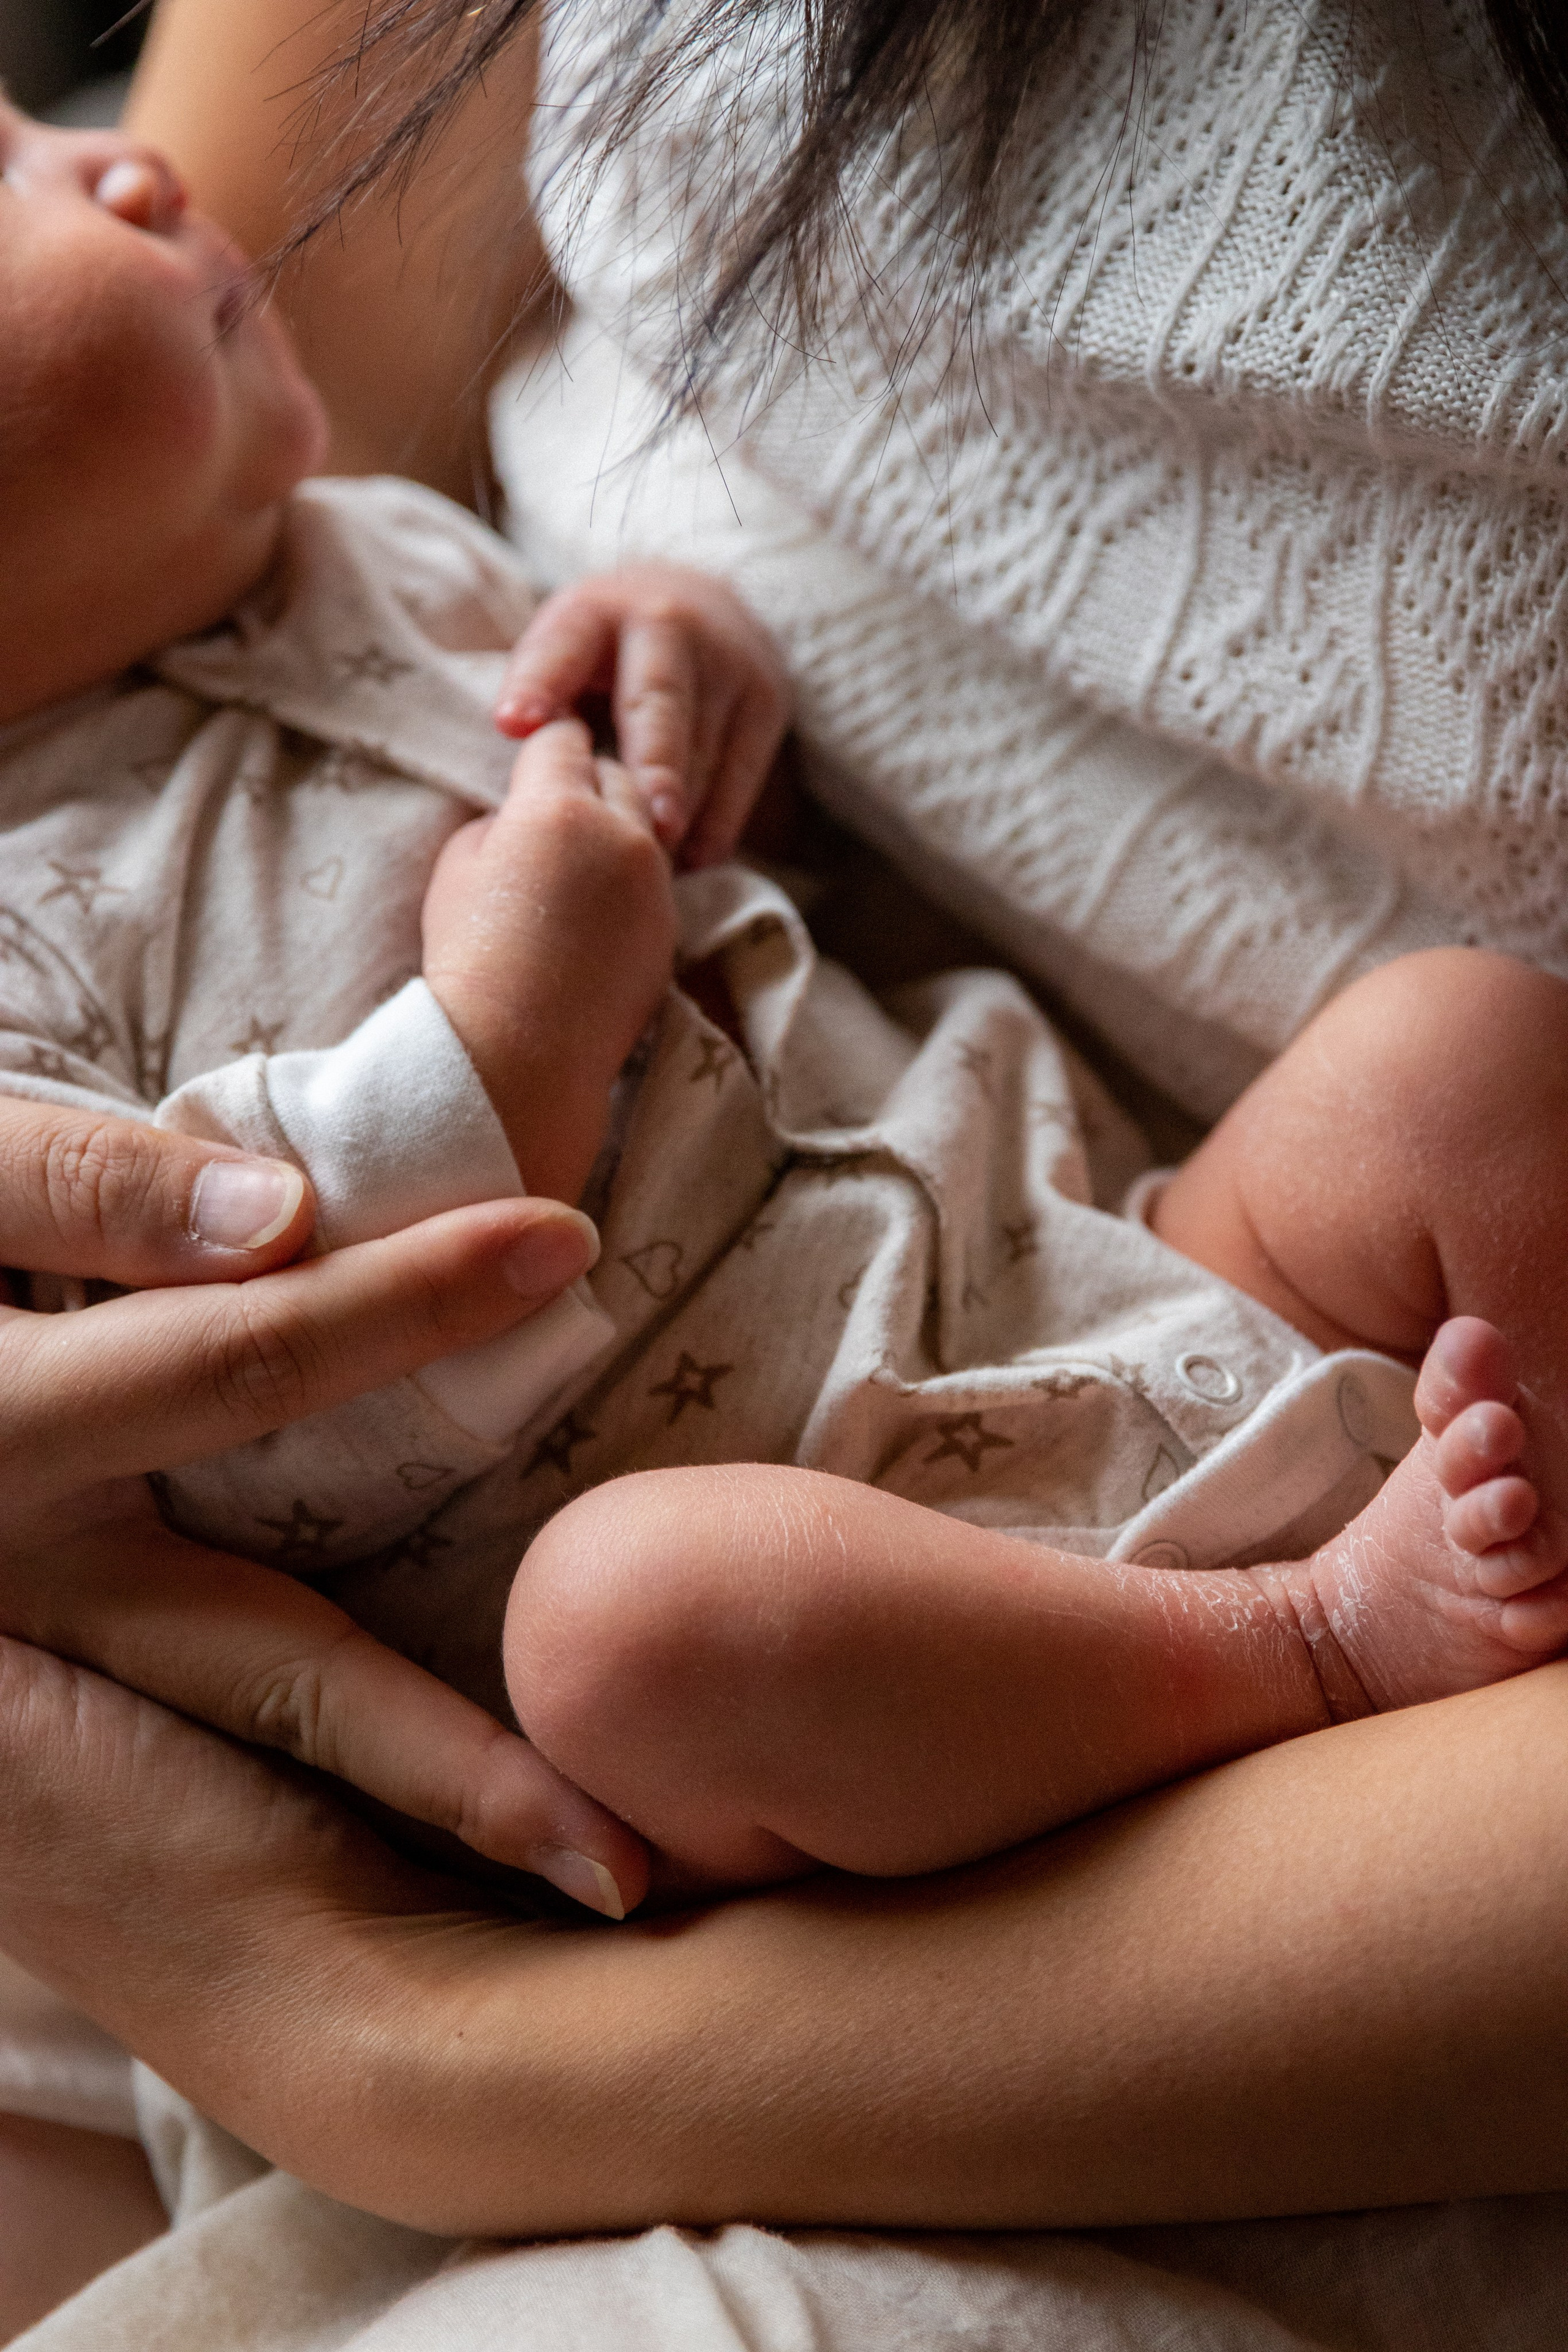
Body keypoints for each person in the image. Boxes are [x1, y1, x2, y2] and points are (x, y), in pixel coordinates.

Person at [4, 0, 1568, 2339]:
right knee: (640, 1614)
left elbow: (592, 711)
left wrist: (659, 640)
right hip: (815, 1676)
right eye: (6, 184)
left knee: (1455, 1058)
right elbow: (236, 1337)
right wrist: (507, 1037)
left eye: (41, 124)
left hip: (1106, 1264)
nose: (115, 163)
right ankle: (1305, 1640)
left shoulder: (338, 553)